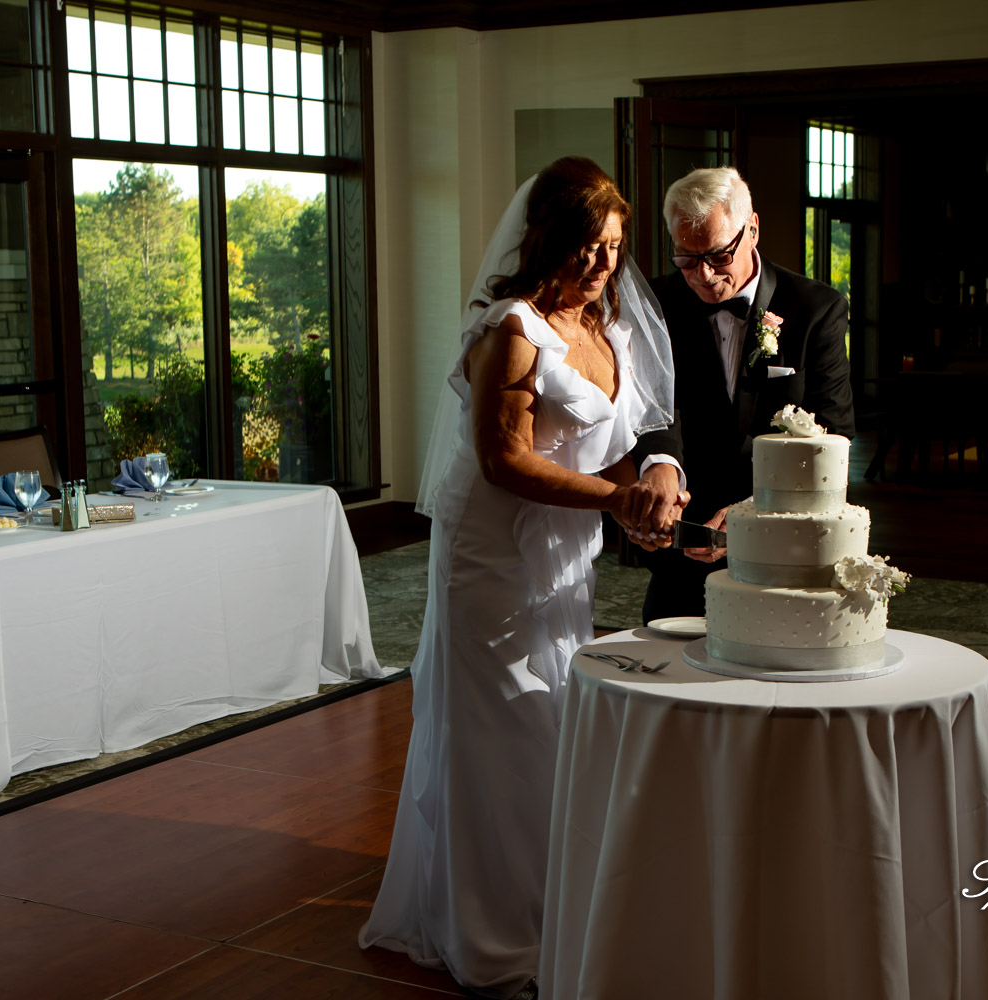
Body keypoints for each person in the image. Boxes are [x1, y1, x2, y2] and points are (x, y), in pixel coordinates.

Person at [359, 157, 683, 999]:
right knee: (502, 728)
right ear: (546, 238)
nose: (599, 264)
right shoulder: (510, 328)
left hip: (563, 552)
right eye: (584, 245)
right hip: (494, 554)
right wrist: (617, 501)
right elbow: (503, 460)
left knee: (553, 721)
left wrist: (655, 495)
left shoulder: (607, 330)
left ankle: (552, 909)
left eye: (612, 247)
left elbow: (625, 440)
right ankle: (494, 937)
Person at [629, 165, 855, 622]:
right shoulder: (653, 306)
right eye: (686, 259)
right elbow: (646, 409)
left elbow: (833, 433)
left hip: (783, 547)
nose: (704, 275)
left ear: (751, 229)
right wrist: (658, 474)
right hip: (682, 549)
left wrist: (756, 509)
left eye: (717, 255)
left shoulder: (816, 310)